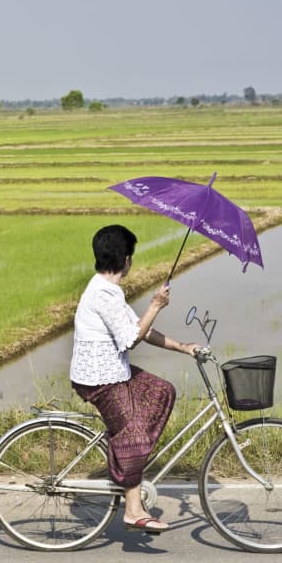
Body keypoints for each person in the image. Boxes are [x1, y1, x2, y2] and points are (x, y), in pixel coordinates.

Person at [69, 225, 198, 534]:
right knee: (134, 436)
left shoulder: (110, 291)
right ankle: (133, 509)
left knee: (161, 391)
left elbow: (141, 329)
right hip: (100, 379)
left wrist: (184, 347)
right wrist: (155, 305)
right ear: (126, 260)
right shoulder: (103, 294)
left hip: (114, 372)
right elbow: (130, 339)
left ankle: (126, 456)